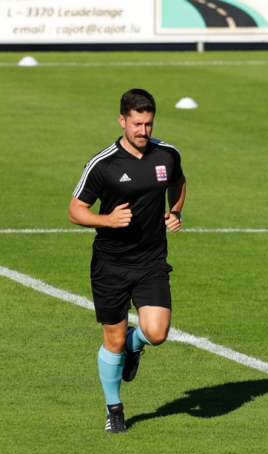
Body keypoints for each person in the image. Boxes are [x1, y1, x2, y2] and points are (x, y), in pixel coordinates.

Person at [69, 89, 186, 433]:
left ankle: (136, 348)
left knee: (157, 332)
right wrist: (106, 221)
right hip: (111, 265)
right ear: (122, 120)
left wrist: (175, 211)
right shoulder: (102, 164)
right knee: (114, 340)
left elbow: (179, 183)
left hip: (151, 261)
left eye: (148, 124)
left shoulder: (166, 155)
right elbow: (75, 210)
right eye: (137, 124)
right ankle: (114, 408)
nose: (143, 131)